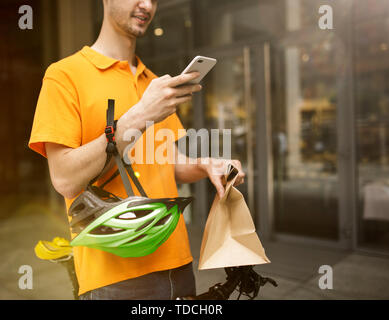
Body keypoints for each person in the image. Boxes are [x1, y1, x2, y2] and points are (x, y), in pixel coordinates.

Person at [29, 0, 245, 300]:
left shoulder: (155, 83)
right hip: (113, 277)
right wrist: (137, 117)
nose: (147, 5)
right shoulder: (64, 75)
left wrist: (205, 164)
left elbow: (166, 163)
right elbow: (64, 179)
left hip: (178, 264)